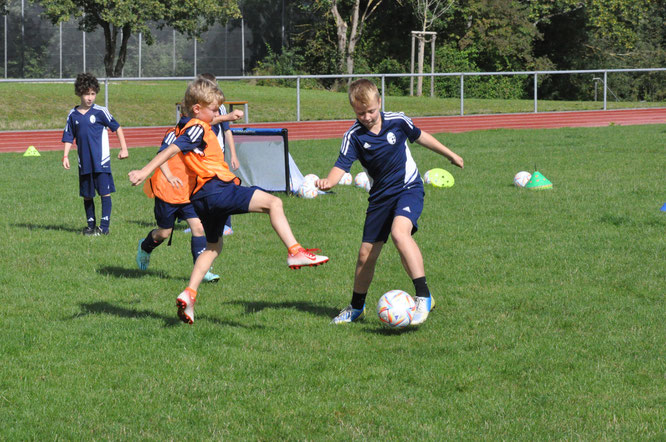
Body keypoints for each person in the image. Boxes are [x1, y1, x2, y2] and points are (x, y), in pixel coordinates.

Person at [128, 77, 328, 325]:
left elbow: (173, 144)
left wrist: (225, 116)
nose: (216, 114)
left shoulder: (183, 125)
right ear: (197, 109)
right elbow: (172, 150)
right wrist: (144, 171)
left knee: (213, 246)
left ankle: (189, 293)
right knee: (274, 203)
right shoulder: (198, 127)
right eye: (213, 110)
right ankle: (296, 251)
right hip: (217, 188)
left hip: (200, 199)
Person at [316, 79, 464, 326]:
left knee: (399, 233)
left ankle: (424, 297)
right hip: (380, 198)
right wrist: (329, 182)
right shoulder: (353, 136)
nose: (367, 116)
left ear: (380, 103)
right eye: (360, 113)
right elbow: (341, 166)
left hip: (408, 188)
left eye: (371, 111)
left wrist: (450, 154)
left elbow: (421, 136)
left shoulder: (397, 120)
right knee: (365, 255)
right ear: (354, 110)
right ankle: (356, 308)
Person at [134, 106, 240, 282]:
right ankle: (145, 247)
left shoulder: (198, 133)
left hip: (188, 193)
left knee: (198, 228)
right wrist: (169, 176)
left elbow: (210, 122)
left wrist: (228, 117)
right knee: (164, 232)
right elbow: (162, 155)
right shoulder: (173, 133)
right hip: (166, 191)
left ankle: (203, 271)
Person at [62, 72, 129, 236]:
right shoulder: (73, 115)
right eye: (86, 93)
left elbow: (117, 127)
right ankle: (91, 226)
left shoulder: (101, 112)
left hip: (101, 161)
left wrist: (124, 148)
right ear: (79, 93)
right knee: (87, 195)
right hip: (84, 162)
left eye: (93, 93)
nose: (90, 97)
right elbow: (69, 136)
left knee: (104, 193)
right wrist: (65, 156)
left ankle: (104, 228)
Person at [200, 72, 243, 236]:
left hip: (217, 154)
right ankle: (199, 223)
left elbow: (227, 132)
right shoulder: (199, 106)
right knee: (201, 187)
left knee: (223, 187)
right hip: (202, 153)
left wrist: (233, 155)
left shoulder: (220, 107)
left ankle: (227, 225)